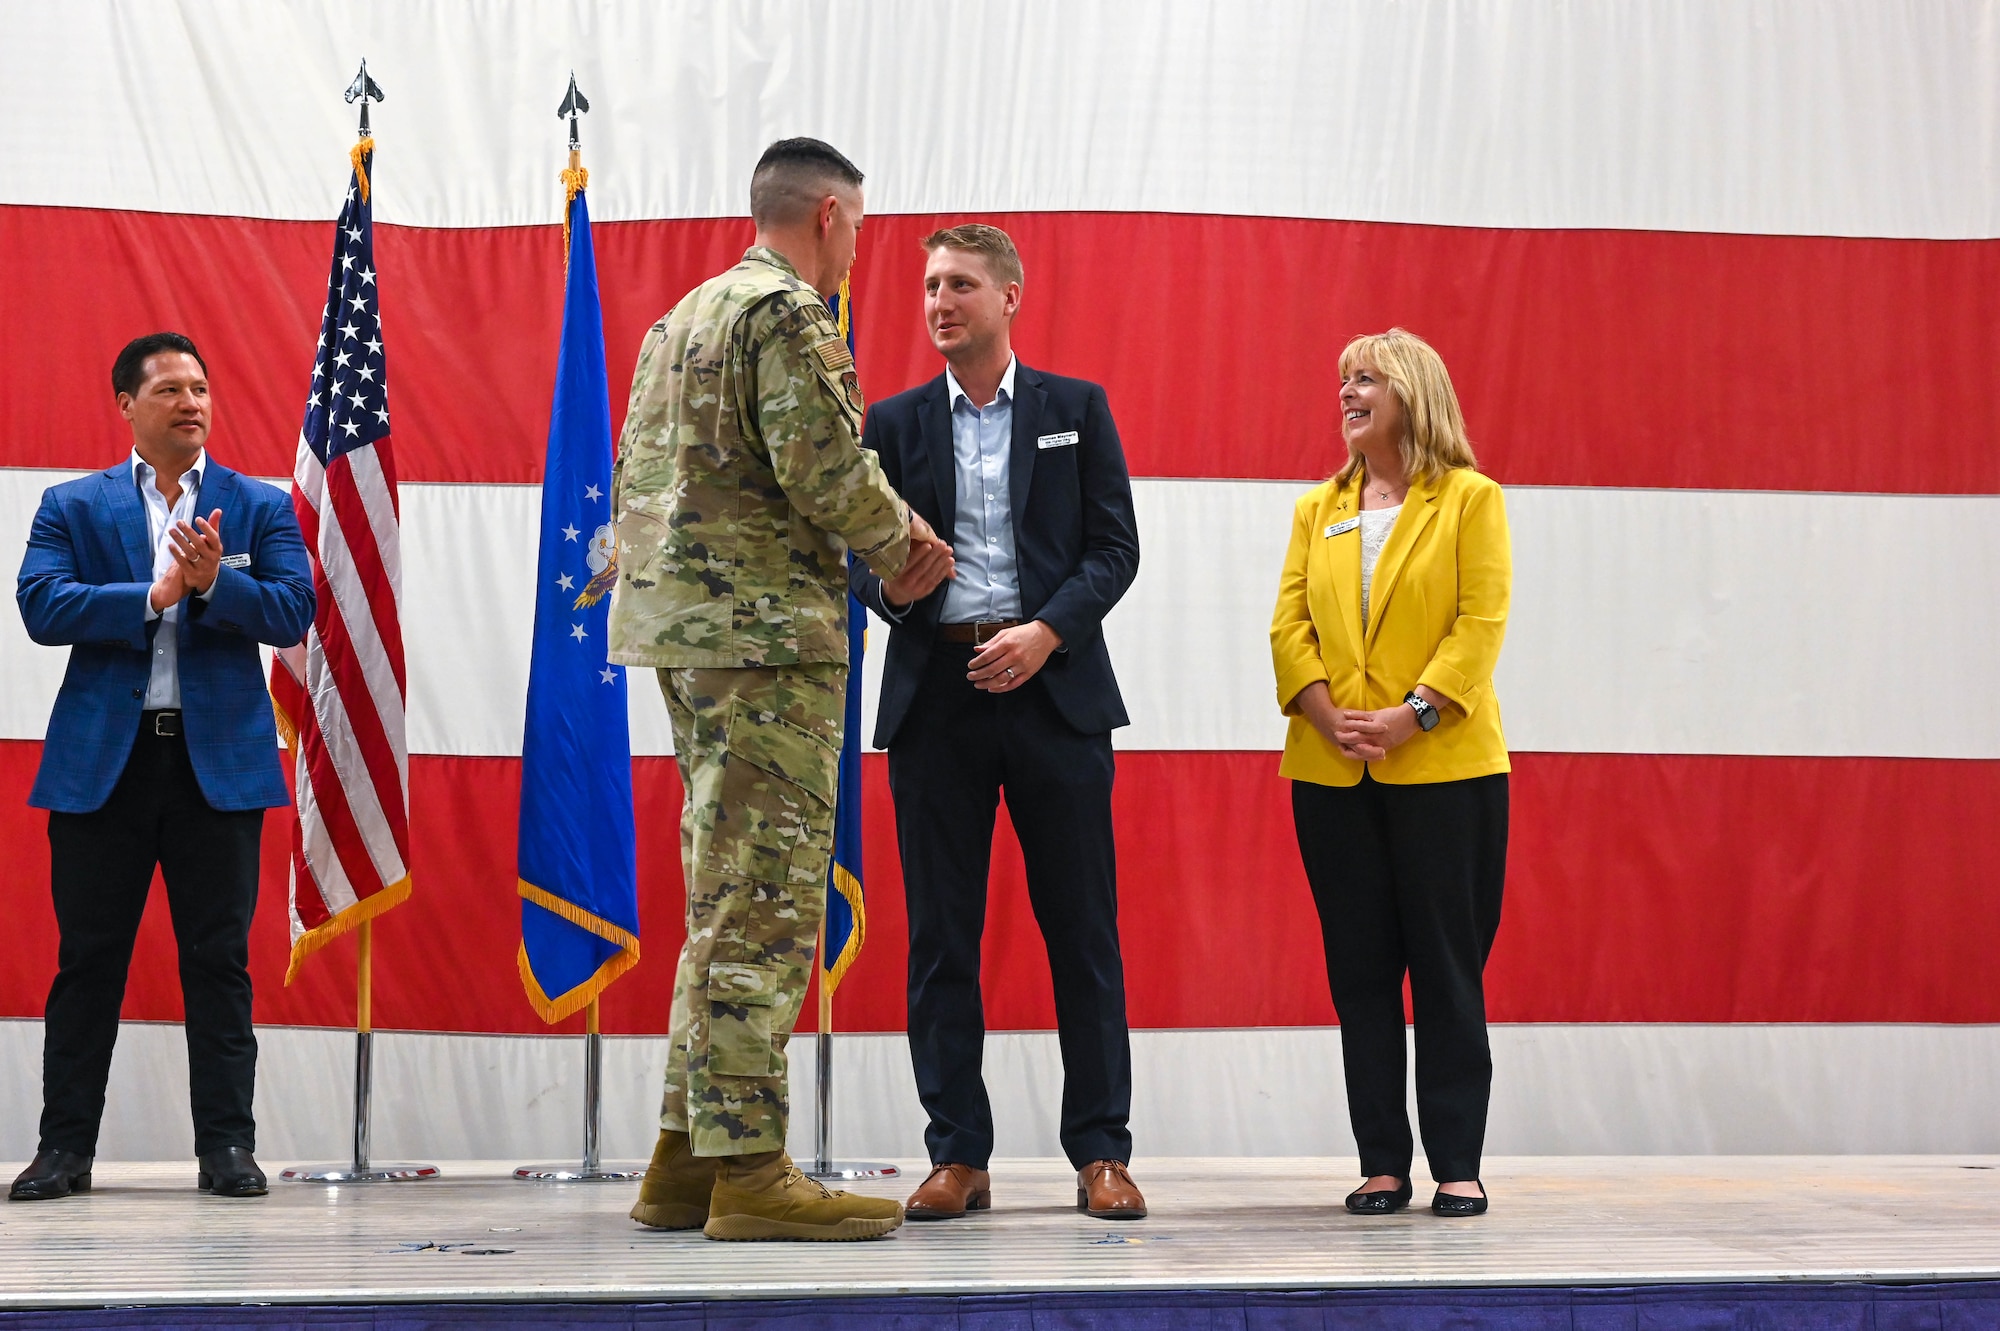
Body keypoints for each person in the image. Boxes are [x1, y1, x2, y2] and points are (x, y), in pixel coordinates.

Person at [607, 138, 944, 1242]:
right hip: (763, 638)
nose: (857, 250)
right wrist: (902, 543)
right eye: (859, 228)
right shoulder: (788, 314)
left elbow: (637, 475)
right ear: (833, 214)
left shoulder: (680, 318)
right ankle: (750, 1166)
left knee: (719, 896)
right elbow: (822, 465)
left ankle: (682, 1158)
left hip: (685, 633)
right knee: (763, 902)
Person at [849, 224, 1145, 1222]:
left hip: (1053, 693)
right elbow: (856, 558)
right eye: (931, 284)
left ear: (1009, 295)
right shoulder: (886, 423)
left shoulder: (1074, 409)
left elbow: (1112, 550)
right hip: (936, 695)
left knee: (1081, 930)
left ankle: (1100, 1152)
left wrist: (1045, 633)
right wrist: (894, 590)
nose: (941, 299)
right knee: (940, 936)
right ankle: (957, 1153)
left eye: (961, 283)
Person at [10, 332, 314, 1203]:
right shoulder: (73, 504)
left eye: (201, 388)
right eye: (171, 389)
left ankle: (226, 1149)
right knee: (88, 960)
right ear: (126, 406)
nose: (192, 402)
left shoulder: (257, 507)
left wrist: (218, 585)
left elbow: (293, 610)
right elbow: (42, 604)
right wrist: (155, 595)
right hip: (105, 766)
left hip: (215, 766)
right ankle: (63, 1151)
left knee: (217, 961)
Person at [1269, 328, 1511, 1218]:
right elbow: (1288, 625)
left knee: (1447, 968)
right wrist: (1323, 708)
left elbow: (1480, 625)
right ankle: (1381, 1162)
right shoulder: (1314, 509)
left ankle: (1457, 1163)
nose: (1347, 392)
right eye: (1342, 379)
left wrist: (1415, 713)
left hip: (1447, 769)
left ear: (1411, 392)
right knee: (1360, 972)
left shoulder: (1471, 500)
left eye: (1365, 378)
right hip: (1332, 772)